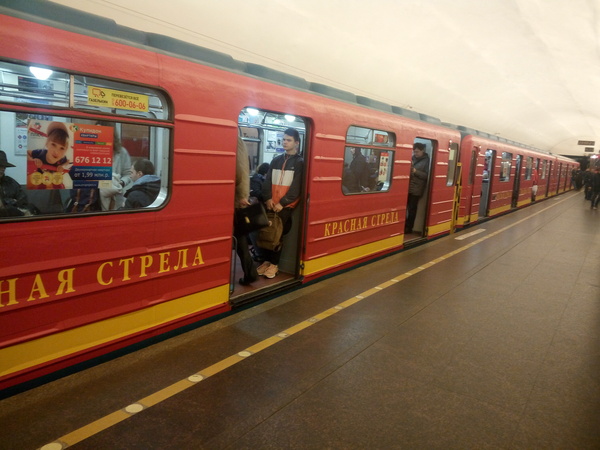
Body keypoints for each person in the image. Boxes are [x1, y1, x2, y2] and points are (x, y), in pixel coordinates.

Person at [257, 128, 304, 279]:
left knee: (278, 236)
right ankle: (267, 261)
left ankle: (274, 265)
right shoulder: (276, 160)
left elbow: (296, 187)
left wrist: (282, 203)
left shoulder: (300, 163)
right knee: (267, 233)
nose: (284, 142)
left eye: (288, 140)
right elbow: (267, 181)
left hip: (285, 207)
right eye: (283, 139)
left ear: (296, 143)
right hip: (271, 204)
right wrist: (268, 198)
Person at [234, 137, 259, 285]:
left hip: (234, 200)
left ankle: (250, 273)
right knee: (240, 237)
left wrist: (242, 196)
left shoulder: (235, 139)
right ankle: (250, 273)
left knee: (240, 237)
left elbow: (241, 169)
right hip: (234, 199)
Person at [27, 121, 72, 189]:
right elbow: (27, 152)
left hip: (52, 182)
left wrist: (63, 166)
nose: (56, 151)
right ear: (47, 143)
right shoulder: (40, 153)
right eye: (53, 144)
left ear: (65, 150)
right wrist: (32, 160)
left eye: (62, 148)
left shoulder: (62, 159)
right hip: (38, 180)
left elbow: (68, 162)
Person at [99, 129, 132, 210]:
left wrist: (121, 183)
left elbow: (128, 174)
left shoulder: (121, 152)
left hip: (114, 195)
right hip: (94, 197)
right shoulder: (89, 149)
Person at [405, 142, 430, 234]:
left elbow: (426, 175)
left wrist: (415, 171)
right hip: (408, 187)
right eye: (414, 152)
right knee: (405, 208)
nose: (415, 153)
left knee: (412, 209)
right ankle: (404, 225)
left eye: (417, 152)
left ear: (422, 151)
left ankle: (409, 227)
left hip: (417, 188)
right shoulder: (412, 159)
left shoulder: (426, 161)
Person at [248, 162, 270, 262]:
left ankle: (260, 253)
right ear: (266, 172)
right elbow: (256, 192)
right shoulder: (257, 179)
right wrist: (268, 197)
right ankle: (259, 253)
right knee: (254, 232)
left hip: (261, 209)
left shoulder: (258, 179)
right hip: (257, 209)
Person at [0, 150, 29, 217]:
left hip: (13, 220)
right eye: (0, 166)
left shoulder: (11, 182)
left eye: (4, 166)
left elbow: (23, 201)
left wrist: (4, 203)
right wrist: (11, 201)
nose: (2, 169)